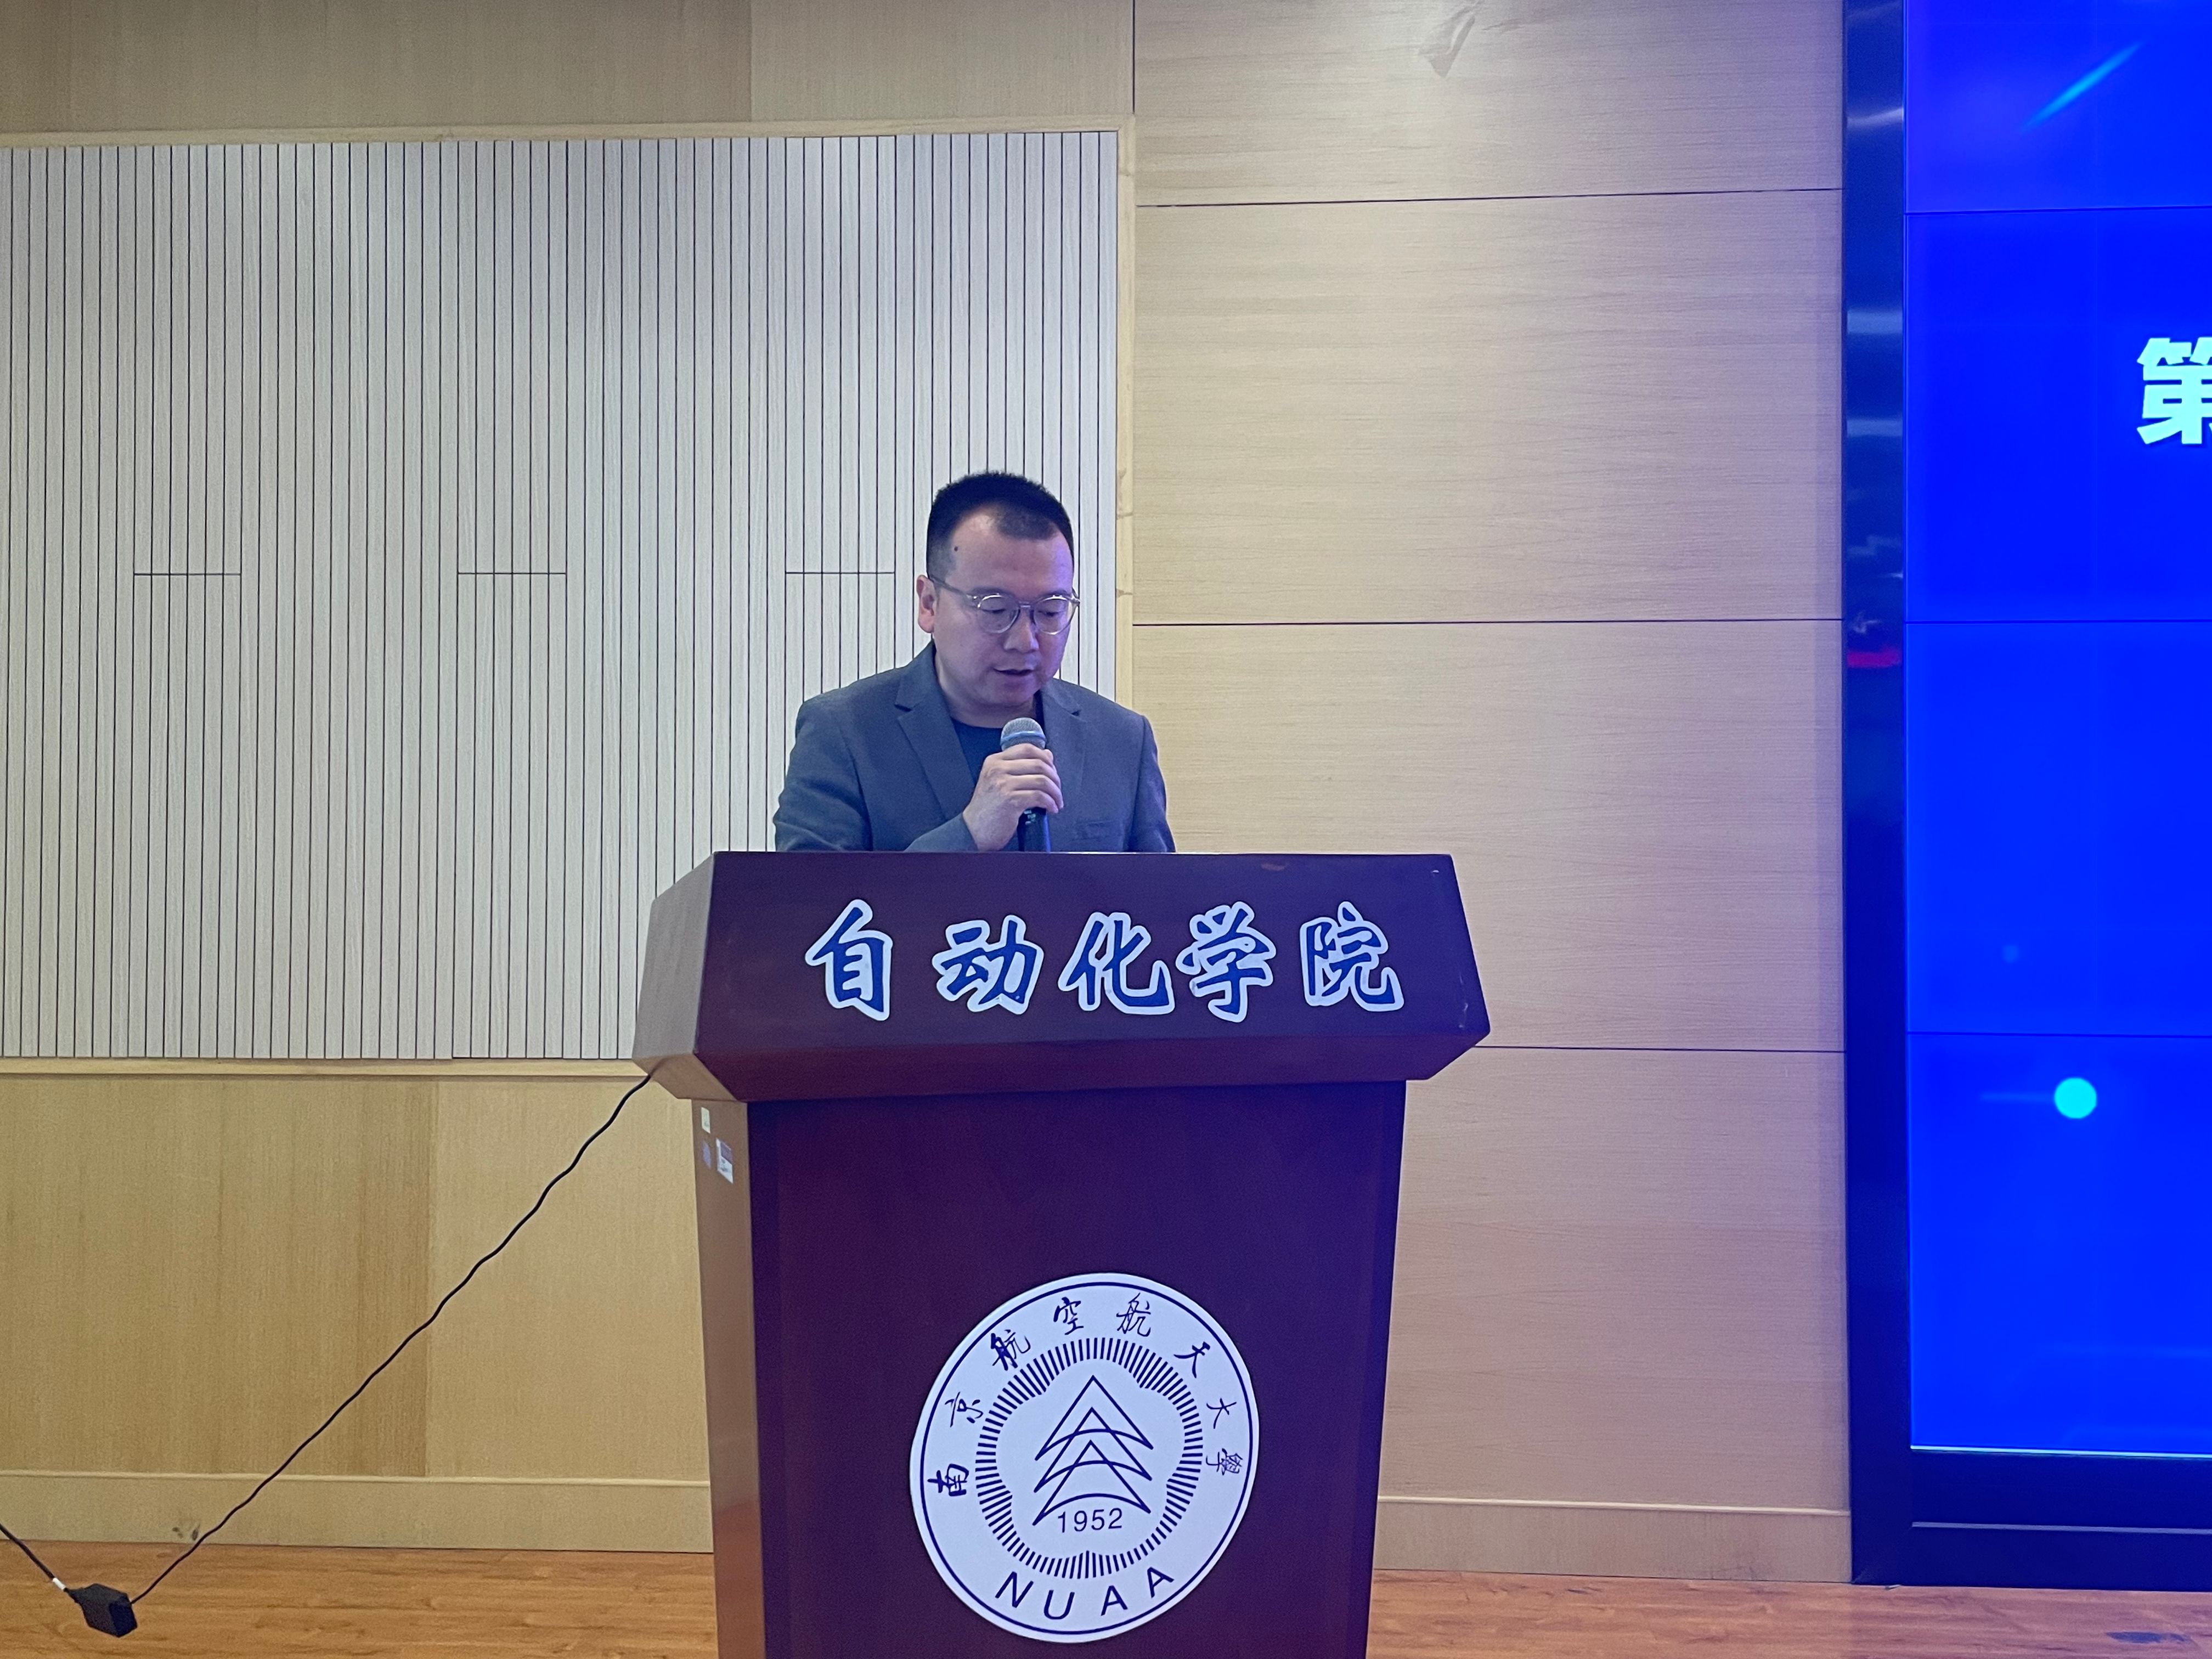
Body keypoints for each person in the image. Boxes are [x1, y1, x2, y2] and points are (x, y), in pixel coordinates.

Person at [774, 472, 1173, 852]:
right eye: (996, 609)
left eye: (1050, 611)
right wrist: (967, 834)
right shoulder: (843, 732)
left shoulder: (1123, 740)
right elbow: (810, 899)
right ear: (929, 603)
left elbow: (1159, 896)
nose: (1025, 640)